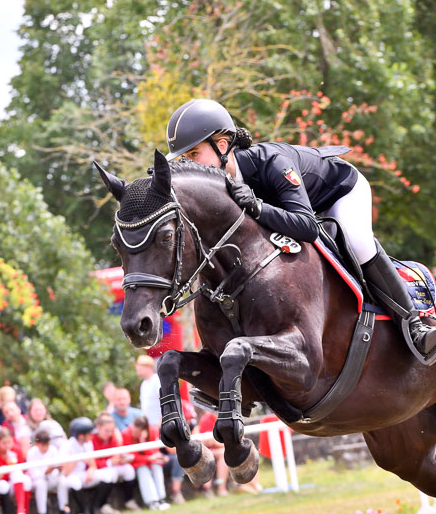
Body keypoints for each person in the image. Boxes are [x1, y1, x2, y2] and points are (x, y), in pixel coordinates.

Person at [166, 98, 436, 358]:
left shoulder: (272, 163)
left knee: (356, 241)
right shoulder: (220, 187)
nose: (187, 164)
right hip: (299, 209)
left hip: (340, 193)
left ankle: (415, 326)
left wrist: (259, 208)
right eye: (182, 159)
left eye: (193, 154)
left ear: (222, 145)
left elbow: (307, 227)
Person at [91, 413, 138, 514]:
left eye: (111, 430)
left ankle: (129, 500)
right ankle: (101, 505)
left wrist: (123, 459)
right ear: (98, 427)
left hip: (111, 467)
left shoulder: (114, 438)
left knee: (129, 470)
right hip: (98, 471)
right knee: (110, 474)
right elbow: (92, 463)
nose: (109, 433)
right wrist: (109, 462)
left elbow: (119, 452)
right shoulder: (92, 439)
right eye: (106, 430)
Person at [122, 416, 169, 510]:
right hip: (137, 463)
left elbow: (154, 452)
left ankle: (161, 499)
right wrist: (148, 458)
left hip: (150, 461)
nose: (134, 434)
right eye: (134, 431)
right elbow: (132, 456)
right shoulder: (126, 433)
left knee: (156, 466)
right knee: (143, 469)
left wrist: (143, 440)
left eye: (137, 432)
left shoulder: (152, 431)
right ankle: (152, 501)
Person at [57, 417, 98, 514]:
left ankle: (97, 507)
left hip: (83, 473)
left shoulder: (88, 443)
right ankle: (84, 510)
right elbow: (65, 472)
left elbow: (92, 464)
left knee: (106, 477)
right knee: (76, 483)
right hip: (70, 476)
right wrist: (77, 459)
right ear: (81, 436)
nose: (92, 436)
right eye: (89, 433)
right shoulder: (67, 447)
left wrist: (90, 471)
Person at [0, 428, 33, 514]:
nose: (7, 446)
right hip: (4, 484)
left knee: (25, 480)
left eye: (9, 442)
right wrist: (6, 467)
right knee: (13, 478)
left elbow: (22, 470)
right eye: (4, 443)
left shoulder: (16, 450)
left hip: (17, 482)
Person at [26, 430, 61, 514]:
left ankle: (63, 510)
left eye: (47, 444)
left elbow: (57, 466)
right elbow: (34, 474)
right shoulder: (31, 453)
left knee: (62, 481)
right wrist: (46, 472)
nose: (46, 448)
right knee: (41, 485)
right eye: (43, 445)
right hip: (37, 482)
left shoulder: (53, 450)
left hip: (51, 479)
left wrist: (56, 469)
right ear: (37, 444)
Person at [195, 412, 229, 498]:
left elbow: (230, 445)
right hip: (205, 452)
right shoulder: (201, 424)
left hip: (219, 452)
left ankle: (221, 488)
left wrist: (215, 443)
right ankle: (207, 489)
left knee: (223, 454)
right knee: (205, 455)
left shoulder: (226, 421)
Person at [135, 355, 161, 427]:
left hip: (158, 425)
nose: (137, 368)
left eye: (139, 365)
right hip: (149, 426)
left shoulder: (157, 380)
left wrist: (160, 423)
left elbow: (164, 402)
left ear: (148, 367)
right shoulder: (144, 384)